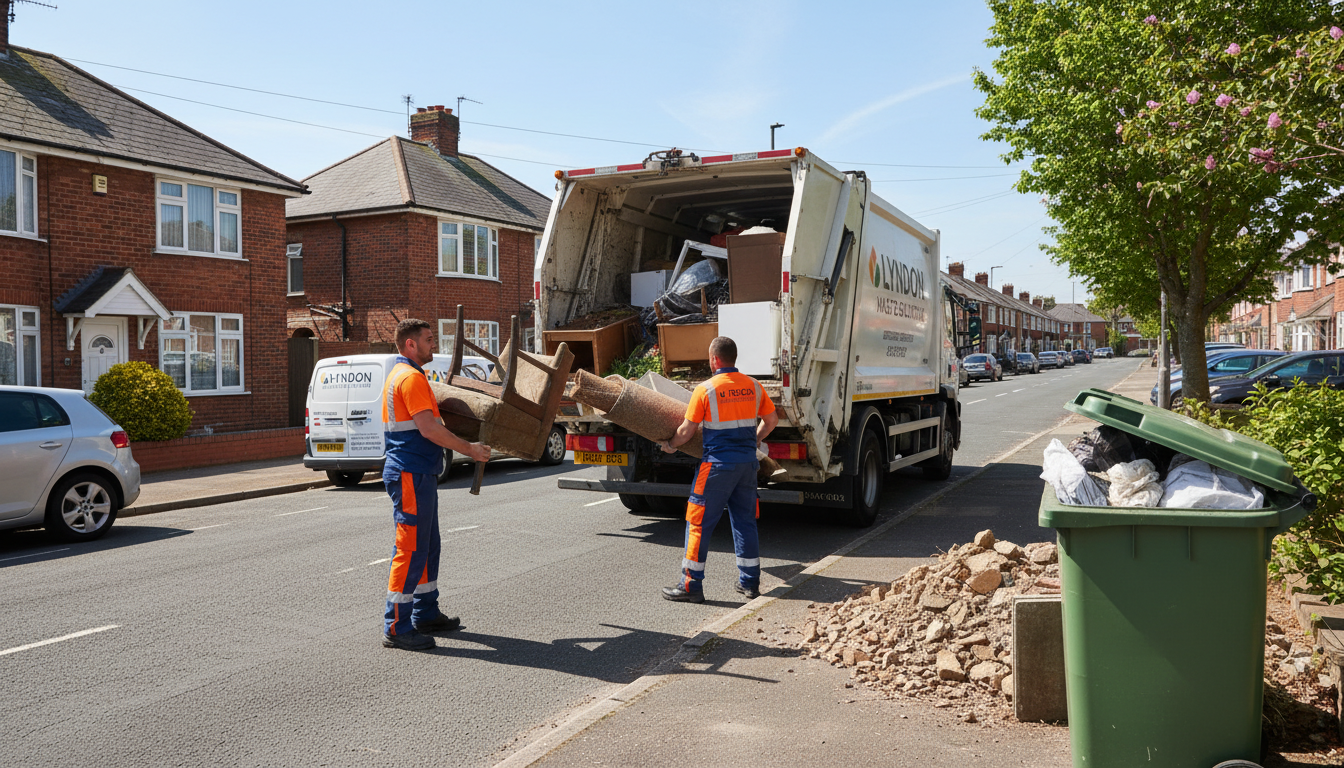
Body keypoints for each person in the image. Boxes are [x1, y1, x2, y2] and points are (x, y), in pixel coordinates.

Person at [379, 318, 491, 651]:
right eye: (429, 340)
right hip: (410, 472)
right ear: (410, 344)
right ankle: (397, 627)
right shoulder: (410, 378)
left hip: (418, 471)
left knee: (427, 546)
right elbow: (429, 429)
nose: (434, 345)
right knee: (411, 548)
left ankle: (425, 612)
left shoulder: (409, 375)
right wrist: (471, 449)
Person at [659, 336, 779, 603]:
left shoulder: (706, 390)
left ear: (714, 359)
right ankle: (750, 583)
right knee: (745, 521)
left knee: (698, 521)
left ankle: (690, 585)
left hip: (716, 467)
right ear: (733, 358)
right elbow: (771, 420)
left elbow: (686, 430)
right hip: (747, 465)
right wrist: (755, 440)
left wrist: (670, 444)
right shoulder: (754, 386)